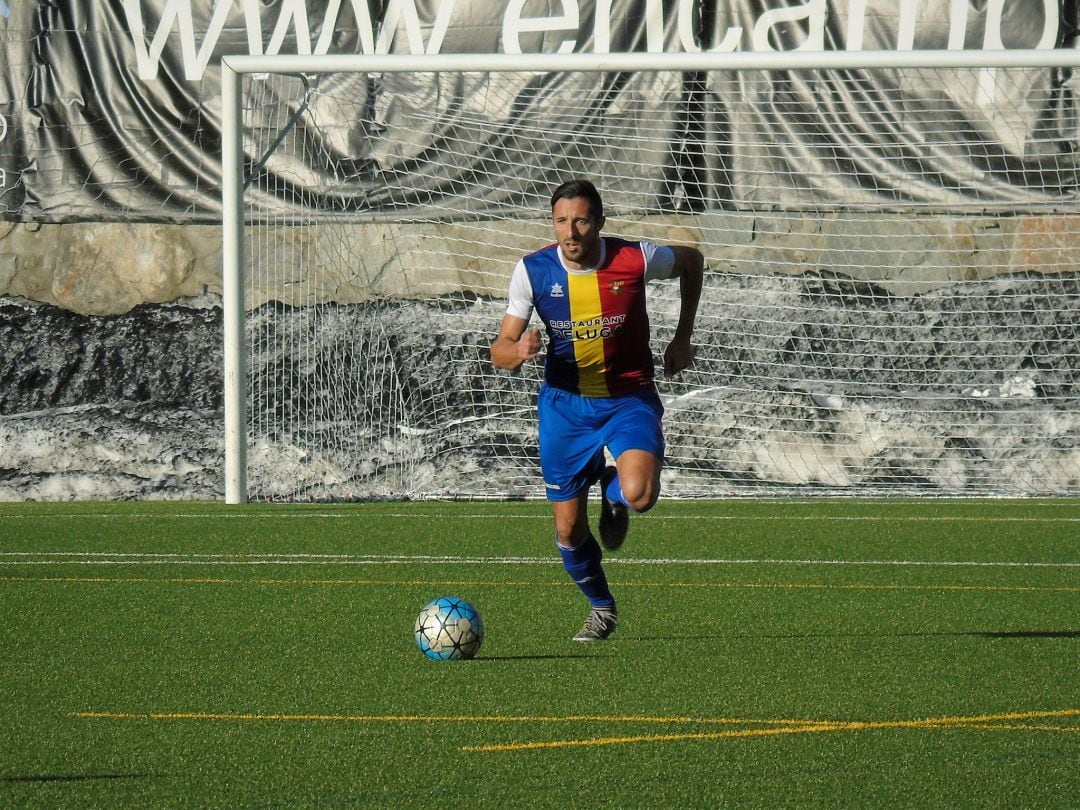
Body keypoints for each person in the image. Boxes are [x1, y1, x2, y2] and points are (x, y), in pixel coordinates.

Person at [490, 178, 704, 642]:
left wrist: (682, 336)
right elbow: (499, 353)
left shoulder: (635, 258)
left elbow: (692, 260)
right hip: (565, 409)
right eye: (562, 221)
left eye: (581, 220)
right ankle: (601, 607)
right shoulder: (532, 271)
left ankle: (614, 492)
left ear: (599, 223)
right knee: (568, 530)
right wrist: (518, 349)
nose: (571, 231)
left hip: (628, 399)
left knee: (642, 495)